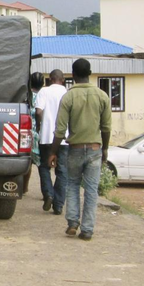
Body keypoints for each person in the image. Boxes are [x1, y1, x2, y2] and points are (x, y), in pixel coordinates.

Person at [49, 59, 111, 241]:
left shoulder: (68, 97)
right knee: (91, 190)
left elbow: (60, 130)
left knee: (72, 185)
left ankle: (72, 223)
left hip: (74, 149)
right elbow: (106, 127)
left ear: (73, 75)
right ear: (90, 73)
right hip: (94, 149)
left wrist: (53, 151)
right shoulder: (102, 96)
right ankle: (87, 229)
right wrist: (105, 148)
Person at [36, 69, 69, 214]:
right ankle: (59, 204)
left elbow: (38, 111)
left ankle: (48, 194)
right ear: (62, 80)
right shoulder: (67, 93)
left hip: (46, 137)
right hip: (64, 138)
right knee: (62, 171)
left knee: (44, 166)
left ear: (50, 79)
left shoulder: (44, 91)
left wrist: (41, 126)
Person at [23, 72, 44, 196]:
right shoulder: (42, 97)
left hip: (25, 132)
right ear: (43, 83)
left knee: (26, 161)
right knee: (39, 163)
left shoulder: (26, 96)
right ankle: (44, 191)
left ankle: (23, 187)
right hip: (37, 133)